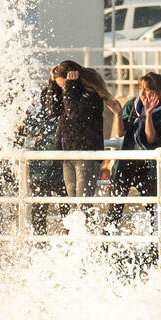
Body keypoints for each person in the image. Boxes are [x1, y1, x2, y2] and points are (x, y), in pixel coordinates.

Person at [52, 60, 120, 222]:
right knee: (73, 205)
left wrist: (70, 87)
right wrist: (52, 84)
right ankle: (77, 238)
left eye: (63, 86)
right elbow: (52, 110)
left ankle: (88, 238)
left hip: (86, 155)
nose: (63, 90)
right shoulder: (69, 94)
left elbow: (73, 113)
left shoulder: (90, 96)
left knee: (83, 204)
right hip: (68, 155)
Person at [106, 72, 161, 229]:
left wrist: (149, 114)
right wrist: (117, 114)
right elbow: (120, 133)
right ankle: (107, 247)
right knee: (114, 211)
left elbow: (151, 140)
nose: (142, 94)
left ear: (159, 93)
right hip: (125, 163)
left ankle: (155, 249)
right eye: (140, 89)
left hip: (147, 166)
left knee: (154, 211)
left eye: (147, 90)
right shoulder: (132, 106)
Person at [19, 79, 68, 235]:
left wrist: (36, 137)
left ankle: (40, 243)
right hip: (55, 169)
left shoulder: (39, 115)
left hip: (44, 169)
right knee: (64, 209)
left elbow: (28, 129)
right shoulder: (63, 114)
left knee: (40, 211)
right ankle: (70, 241)